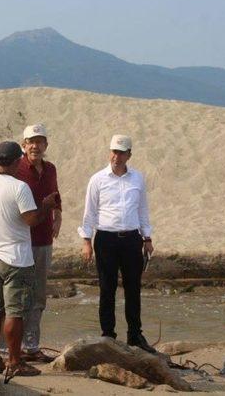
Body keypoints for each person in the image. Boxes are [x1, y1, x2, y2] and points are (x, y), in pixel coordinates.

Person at [0, 141, 58, 377]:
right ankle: (15, 361)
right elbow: (31, 219)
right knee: (15, 312)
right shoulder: (19, 187)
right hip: (16, 259)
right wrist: (46, 206)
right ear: (17, 161)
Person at [78, 134, 156, 353]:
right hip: (106, 239)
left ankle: (135, 335)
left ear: (129, 154)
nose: (117, 156)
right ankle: (108, 335)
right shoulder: (97, 179)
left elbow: (142, 209)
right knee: (107, 288)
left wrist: (147, 237)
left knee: (133, 288)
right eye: (114, 151)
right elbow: (89, 212)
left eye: (122, 152)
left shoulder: (137, 178)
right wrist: (86, 241)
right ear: (109, 152)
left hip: (132, 238)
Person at [17, 123, 62, 363]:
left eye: (40, 141)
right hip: (20, 240)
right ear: (24, 145)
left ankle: (31, 346)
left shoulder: (51, 168)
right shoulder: (16, 169)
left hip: (44, 239)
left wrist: (59, 215)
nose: (35, 146)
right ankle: (10, 348)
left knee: (38, 295)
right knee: (17, 295)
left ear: (46, 145)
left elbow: (55, 194)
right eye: (31, 142)